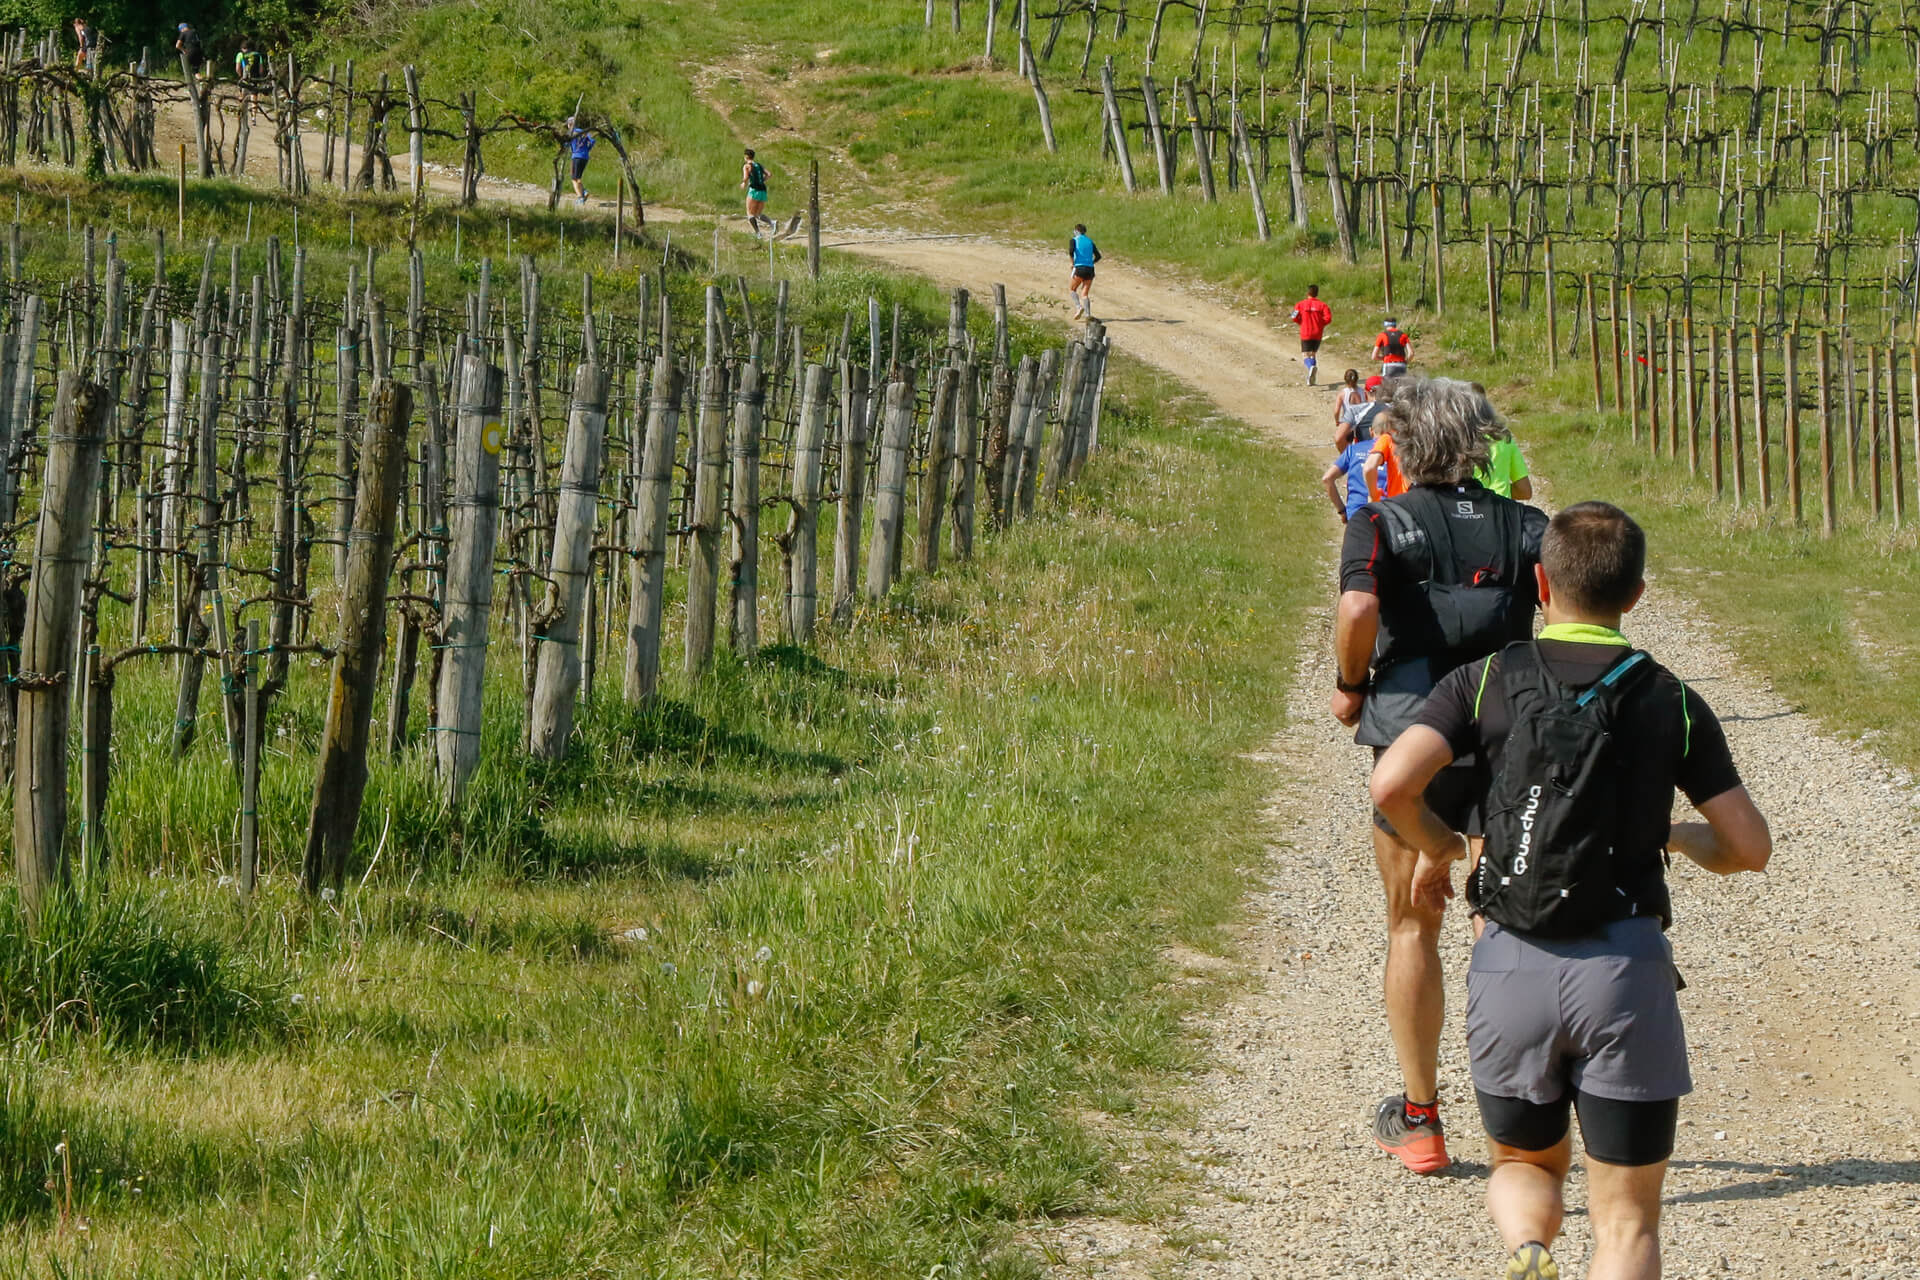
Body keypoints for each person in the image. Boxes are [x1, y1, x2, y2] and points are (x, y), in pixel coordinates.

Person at [1370, 501, 1771, 1279]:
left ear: (1540, 582)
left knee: (1526, 1165)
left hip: (1510, 965)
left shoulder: (1483, 679)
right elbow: (1749, 849)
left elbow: (1392, 784)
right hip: (1625, 972)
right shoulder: (1671, 701)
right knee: (1626, 1222)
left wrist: (1442, 846)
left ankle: (1529, 1247)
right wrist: (1682, 839)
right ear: (1637, 595)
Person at [1329, 377, 1549, 1177]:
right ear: (1482, 439)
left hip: (1411, 743)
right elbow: (1572, 620)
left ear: (1401, 440)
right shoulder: (1529, 528)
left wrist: (1352, 685)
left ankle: (1421, 1120)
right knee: (1504, 922)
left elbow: (1357, 616)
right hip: (1506, 735)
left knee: (1411, 924)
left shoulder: (1378, 522)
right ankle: (1519, 1116)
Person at [1322, 401, 1391, 522]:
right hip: (1386, 514)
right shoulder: (1398, 453)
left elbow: (1327, 478)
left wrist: (1342, 510)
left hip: (1356, 516)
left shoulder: (1353, 450)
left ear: (1371, 431)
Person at [1478, 422, 1533, 500]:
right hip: (1501, 507)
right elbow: (1524, 491)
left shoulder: (1458, 442)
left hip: (1466, 508)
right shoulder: (1503, 438)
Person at [1291, 284, 1333, 385]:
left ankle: (1310, 368)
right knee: (1313, 354)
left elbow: (1293, 316)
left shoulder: (1300, 304)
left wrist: (1301, 322)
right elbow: (1328, 318)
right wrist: (1320, 324)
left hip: (1306, 332)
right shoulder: (1323, 305)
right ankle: (1312, 377)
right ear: (1317, 293)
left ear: (1307, 293)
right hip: (1317, 333)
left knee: (1305, 355)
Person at [1068, 223, 1101, 320]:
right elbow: (1098, 256)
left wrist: (1072, 263)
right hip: (1090, 269)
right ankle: (1087, 315)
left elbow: (1071, 251)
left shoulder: (1074, 240)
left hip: (1079, 268)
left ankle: (1078, 307)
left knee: (1072, 289)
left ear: (1076, 231)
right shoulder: (1090, 241)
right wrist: (1091, 262)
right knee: (1085, 294)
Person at [565, 117, 595, 206]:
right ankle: (583, 192)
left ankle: (580, 197)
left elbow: (566, 144)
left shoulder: (570, 133)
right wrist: (588, 149)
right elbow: (593, 141)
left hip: (576, 156)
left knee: (573, 178)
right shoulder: (583, 131)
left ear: (569, 124)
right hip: (585, 157)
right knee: (578, 177)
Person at [741, 148, 770, 235]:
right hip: (763, 190)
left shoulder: (747, 166)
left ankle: (758, 233)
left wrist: (743, 183)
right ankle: (772, 223)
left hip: (754, 190)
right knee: (758, 213)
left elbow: (746, 178)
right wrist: (761, 180)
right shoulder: (759, 165)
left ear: (746, 156)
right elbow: (769, 174)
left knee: (750, 213)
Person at [235, 39, 268, 108]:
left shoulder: (240, 54)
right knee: (254, 97)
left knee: (243, 97)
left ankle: (242, 114)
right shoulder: (258, 55)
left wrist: (240, 75)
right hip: (255, 78)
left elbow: (237, 68)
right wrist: (260, 78)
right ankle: (254, 117)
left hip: (244, 77)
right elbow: (261, 69)